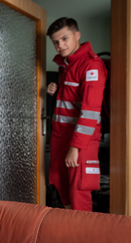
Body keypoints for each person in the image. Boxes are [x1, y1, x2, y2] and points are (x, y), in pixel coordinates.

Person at [46, 17, 107, 211]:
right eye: (55, 42)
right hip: (60, 136)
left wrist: (76, 147)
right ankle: (71, 229)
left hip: (81, 141)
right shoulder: (66, 65)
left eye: (65, 39)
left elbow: (90, 111)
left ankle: (83, 238)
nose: (60, 45)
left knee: (79, 189)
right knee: (60, 183)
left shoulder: (91, 66)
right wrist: (55, 88)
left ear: (77, 35)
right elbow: (71, 98)